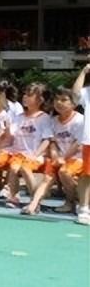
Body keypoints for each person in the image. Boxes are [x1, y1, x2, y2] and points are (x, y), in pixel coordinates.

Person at [23, 86, 84, 216]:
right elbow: (52, 141)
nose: (59, 103)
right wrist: (56, 156)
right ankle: (33, 204)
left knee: (64, 172)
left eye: (64, 100)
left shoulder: (80, 120)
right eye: (57, 99)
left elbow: (78, 144)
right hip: (58, 158)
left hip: (77, 159)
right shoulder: (53, 121)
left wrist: (63, 158)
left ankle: (74, 202)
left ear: (74, 104)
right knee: (47, 178)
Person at [1, 82, 53, 211]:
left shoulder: (44, 118)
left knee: (25, 168)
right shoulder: (19, 117)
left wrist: (36, 154)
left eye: (29, 95)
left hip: (35, 154)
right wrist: (7, 130)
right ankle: (14, 196)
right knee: (13, 168)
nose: (24, 97)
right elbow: (11, 136)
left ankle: (34, 199)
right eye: (25, 94)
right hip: (18, 153)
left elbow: (47, 140)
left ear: (40, 100)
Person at [71, 62, 90, 225]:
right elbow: (74, 96)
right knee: (87, 175)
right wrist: (84, 71)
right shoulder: (87, 92)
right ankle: (84, 208)